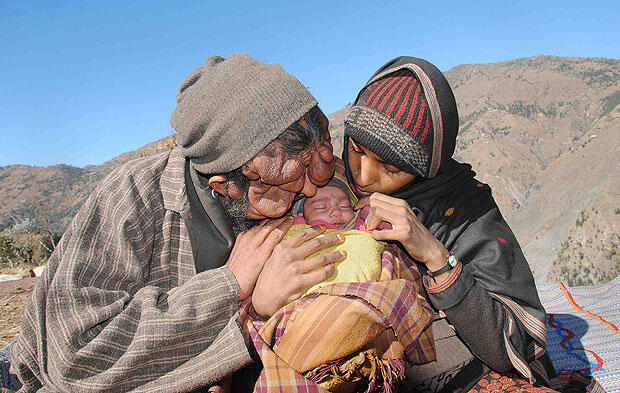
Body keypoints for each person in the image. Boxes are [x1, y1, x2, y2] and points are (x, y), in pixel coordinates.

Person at [9, 53, 346, 392]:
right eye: (286, 186)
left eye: (316, 164)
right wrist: (231, 286)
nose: (310, 189)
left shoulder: (303, 180)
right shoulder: (131, 196)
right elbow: (79, 361)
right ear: (224, 187)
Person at [342, 56, 558, 392]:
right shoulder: (331, 184)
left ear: (428, 167)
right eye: (356, 149)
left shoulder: (467, 214)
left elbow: (518, 345)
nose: (363, 175)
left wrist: (434, 256)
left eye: (392, 168)